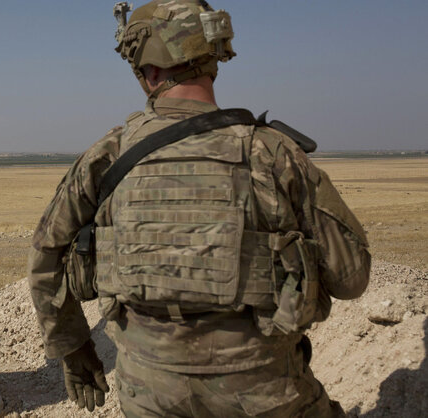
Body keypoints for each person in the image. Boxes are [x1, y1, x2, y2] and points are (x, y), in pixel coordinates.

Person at [28, 1, 371, 416]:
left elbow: (46, 256)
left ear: (148, 69)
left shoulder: (107, 155)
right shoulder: (270, 152)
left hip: (148, 393)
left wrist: (74, 347)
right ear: (213, 59)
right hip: (262, 393)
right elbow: (352, 277)